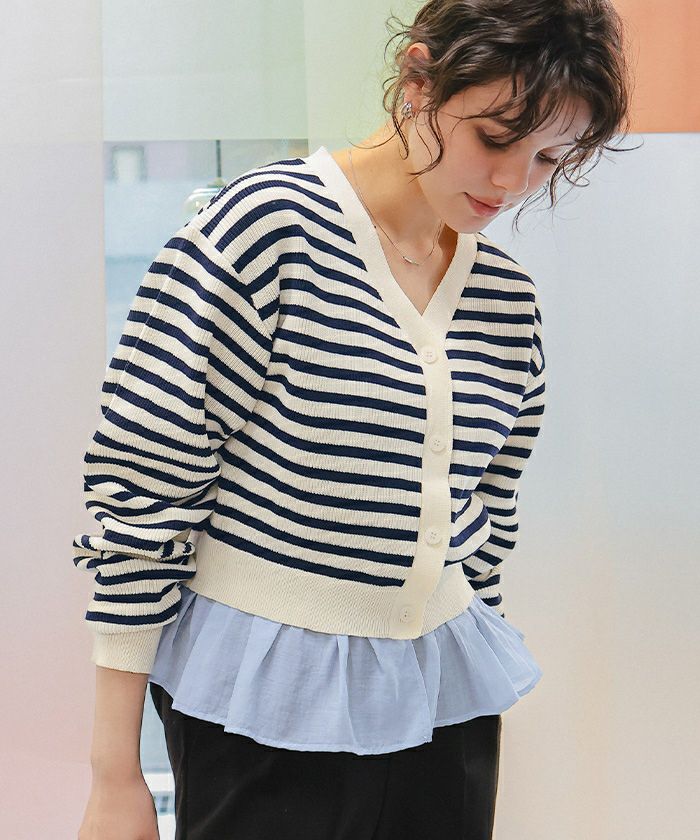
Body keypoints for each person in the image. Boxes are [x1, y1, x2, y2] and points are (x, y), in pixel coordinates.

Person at [77, 1, 633, 838]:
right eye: (495, 138)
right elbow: (142, 493)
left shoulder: (506, 300)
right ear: (419, 80)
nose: (514, 182)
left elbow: (485, 519)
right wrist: (113, 773)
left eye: (550, 157)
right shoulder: (265, 230)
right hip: (260, 715)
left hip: (444, 721)